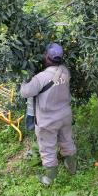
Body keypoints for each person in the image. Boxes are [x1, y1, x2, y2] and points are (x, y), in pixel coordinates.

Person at [20, 43, 76, 186]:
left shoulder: (41, 78)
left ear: (46, 57)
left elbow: (25, 92)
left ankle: (50, 178)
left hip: (47, 121)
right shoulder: (65, 71)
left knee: (47, 147)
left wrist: (25, 78)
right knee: (67, 140)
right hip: (65, 115)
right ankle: (72, 167)